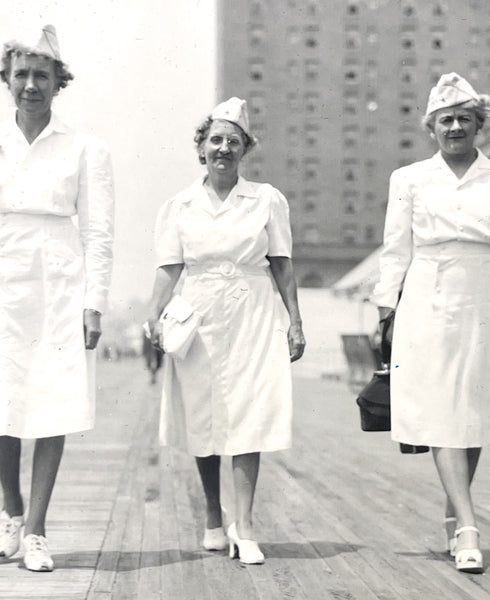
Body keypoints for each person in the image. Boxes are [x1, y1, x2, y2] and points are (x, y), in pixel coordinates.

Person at [0, 25, 114, 572]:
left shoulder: (86, 149)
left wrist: (94, 302)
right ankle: (11, 509)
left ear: (59, 82)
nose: (31, 85)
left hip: (59, 285)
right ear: (7, 80)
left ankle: (38, 530)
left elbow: (98, 233)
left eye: (42, 75)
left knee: (53, 403)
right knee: (2, 403)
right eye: (21, 74)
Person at [147, 97, 305, 565]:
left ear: (245, 150)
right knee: (203, 416)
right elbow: (167, 268)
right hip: (197, 315)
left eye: (233, 142)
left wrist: (295, 320)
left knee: (248, 415)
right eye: (215, 139)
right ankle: (214, 518)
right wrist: (152, 314)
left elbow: (282, 265)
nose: (223, 148)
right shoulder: (179, 206)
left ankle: (246, 525)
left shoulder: (267, 200)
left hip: (253, 312)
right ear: (201, 148)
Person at [373, 73, 490, 574]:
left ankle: (452, 514)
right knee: (440, 407)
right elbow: (395, 250)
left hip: (487, 295)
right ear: (431, 127)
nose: (455, 127)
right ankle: (471, 526)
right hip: (427, 294)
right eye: (445, 120)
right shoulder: (408, 179)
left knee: (473, 410)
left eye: (464, 119)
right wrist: (385, 308)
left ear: (479, 124)